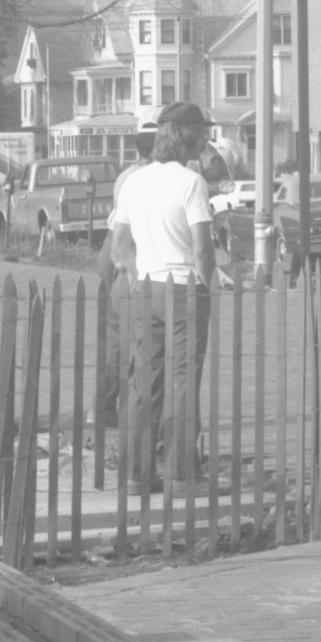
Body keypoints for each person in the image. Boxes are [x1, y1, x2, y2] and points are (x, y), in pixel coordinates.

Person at [102, 121, 219, 491]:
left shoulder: (135, 180)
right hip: (184, 286)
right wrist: (206, 280)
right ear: (189, 140)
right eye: (201, 135)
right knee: (183, 380)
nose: (205, 141)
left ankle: (138, 472)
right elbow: (202, 246)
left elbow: (119, 242)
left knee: (145, 380)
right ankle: (182, 472)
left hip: (146, 288)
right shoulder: (191, 183)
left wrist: (138, 276)